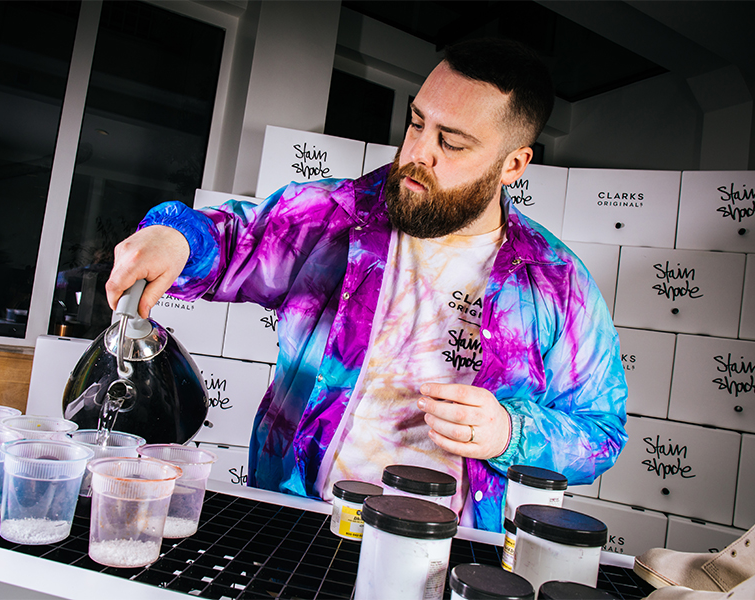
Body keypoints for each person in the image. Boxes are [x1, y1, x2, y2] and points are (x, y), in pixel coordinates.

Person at [105, 37, 628, 532]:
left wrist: (511, 433)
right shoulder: (337, 216)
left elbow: (600, 433)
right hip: (299, 521)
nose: (418, 154)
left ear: (513, 163)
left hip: (451, 553)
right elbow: (231, 241)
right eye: (417, 124)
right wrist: (177, 237)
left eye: (451, 142)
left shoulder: (558, 284)